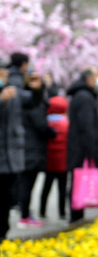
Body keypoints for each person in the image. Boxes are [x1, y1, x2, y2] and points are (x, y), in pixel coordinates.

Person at [66, 66, 98, 224]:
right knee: (77, 184)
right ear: (89, 79)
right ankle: (76, 218)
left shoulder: (81, 95)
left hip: (77, 147)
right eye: (96, 77)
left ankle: (76, 215)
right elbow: (87, 127)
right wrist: (93, 153)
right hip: (81, 149)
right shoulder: (85, 97)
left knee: (76, 182)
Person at [16, 69, 55, 227]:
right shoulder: (32, 102)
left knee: (26, 183)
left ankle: (24, 213)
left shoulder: (27, 101)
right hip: (31, 150)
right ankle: (24, 215)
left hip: (27, 148)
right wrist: (53, 132)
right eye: (33, 80)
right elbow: (41, 126)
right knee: (27, 184)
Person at [0, 64, 25, 240]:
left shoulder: (12, 91)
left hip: (8, 157)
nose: (5, 76)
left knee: (6, 198)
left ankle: (3, 232)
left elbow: (32, 102)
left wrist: (37, 90)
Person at [40, 95, 69, 221]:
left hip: (49, 162)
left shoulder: (47, 123)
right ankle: (62, 213)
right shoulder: (67, 124)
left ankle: (42, 211)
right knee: (62, 189)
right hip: (63, 163)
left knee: (46, 188)